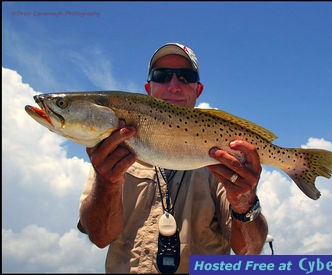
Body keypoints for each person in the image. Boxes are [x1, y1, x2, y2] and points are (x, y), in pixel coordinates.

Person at [78, 42, 268, 273]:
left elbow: (249, 251)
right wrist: (106, 183)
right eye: (162, 75)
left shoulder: (223, 157)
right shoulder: (111, 154)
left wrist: (245, 202)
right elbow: (99, 237)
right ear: (149, 88)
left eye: (186, 77)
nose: (174, 85)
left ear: (198, 90)